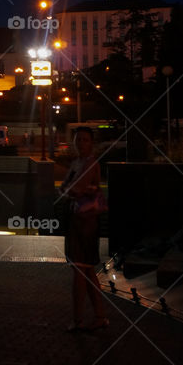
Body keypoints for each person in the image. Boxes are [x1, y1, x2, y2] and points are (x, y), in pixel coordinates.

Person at [61, 127, 108, 331]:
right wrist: (75, 190)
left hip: (84, 222)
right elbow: (67, 188)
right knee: (87, 271)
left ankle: (78, 319)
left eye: (85, 140)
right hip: (80, 219)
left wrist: (75, 190)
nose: (81, 143)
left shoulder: (89, 164)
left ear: (91, 143)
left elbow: (71, 188)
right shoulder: (77, 163)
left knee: (79, 270)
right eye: (78, 139)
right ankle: (99, 316)